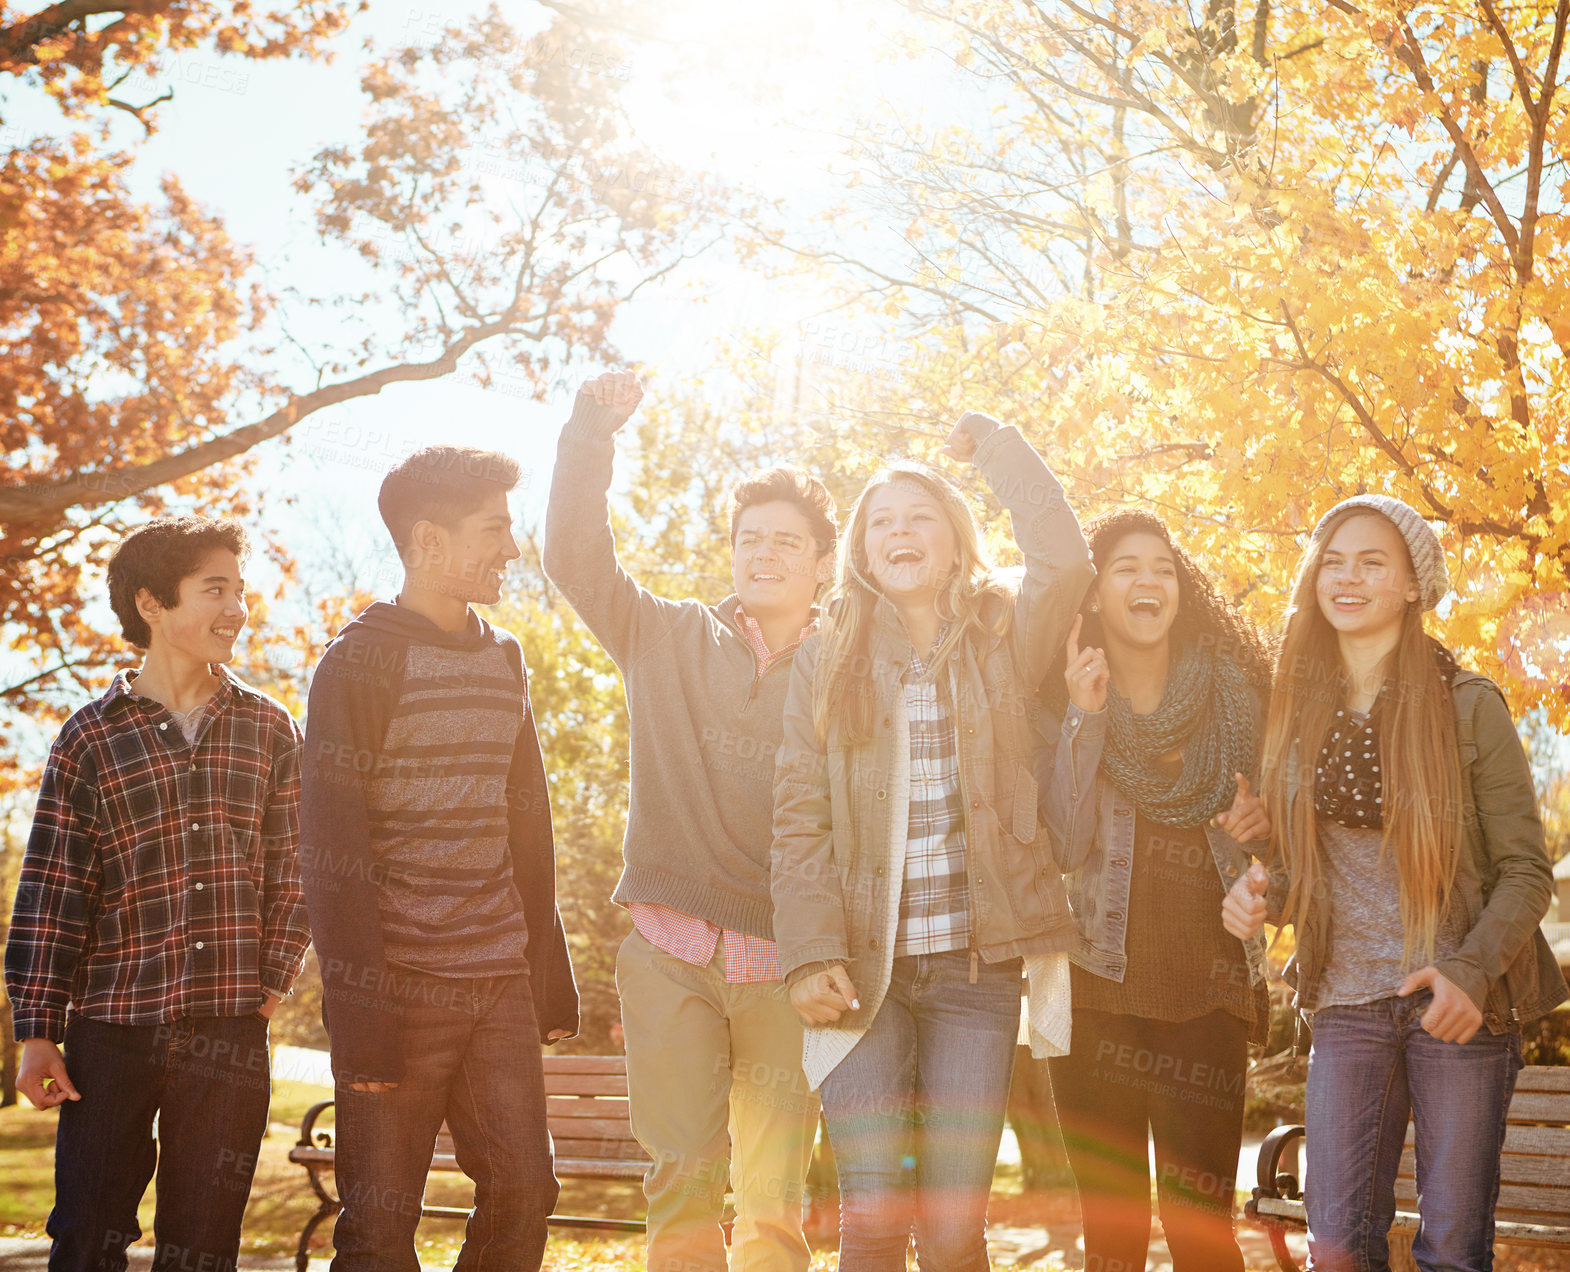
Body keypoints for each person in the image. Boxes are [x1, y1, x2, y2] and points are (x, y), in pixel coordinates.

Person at [771, 410, 1094, 1271]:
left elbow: (1066, 561)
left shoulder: (1004, 636)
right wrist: (805, 954)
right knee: (872, 1218)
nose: (898, 533)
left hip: (975, 974)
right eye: (880, 522)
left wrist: (999, 446)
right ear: (862, 551)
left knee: (953, 1230)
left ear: (954, 541)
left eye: (919, 518)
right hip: (858, 976)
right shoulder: (827, 653)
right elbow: (799, 818)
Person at [1224, 494, 1567, 1272]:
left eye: (1372, 562)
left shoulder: (1468, 706)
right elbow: (1301, 872)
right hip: (1345, 1004)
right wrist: (1259, 898)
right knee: (1338, 1247)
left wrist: (1468, 973)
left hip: (1458, 1008)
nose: (1347, 578)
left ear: (1415, 585)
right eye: (1333, 562)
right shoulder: (1297, 714)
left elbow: (1525, 872)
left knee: (1450, 1249)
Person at [543, 372, 834, 1272]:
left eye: (788, 542)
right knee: (681, 1178)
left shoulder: (849, 667)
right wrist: (592, 431)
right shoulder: (664, 635)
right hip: (670, 955)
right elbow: (574, 557)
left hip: (789, 967)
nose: (766, 553)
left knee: (776, 1198)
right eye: (751, 539)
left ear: (825, 562)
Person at [5, 515, 311, 1272]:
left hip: (230, 1027)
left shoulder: (270, 730)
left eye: (240, 590)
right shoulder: (89, 739)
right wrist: (37, 1028)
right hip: (111, 1029)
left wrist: (268, 987)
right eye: (216, 590)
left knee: (205, 1243)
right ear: (151, 604)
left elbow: (299, 872)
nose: (237, 608)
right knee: (84, 1231)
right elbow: (52, 889)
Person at [300, 445, 579, 1272]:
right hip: (398, 984)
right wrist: (359, 1014)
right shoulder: (358, 663)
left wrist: (547, 972)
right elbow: (330, 848)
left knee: (526, 1190)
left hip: (496, 976)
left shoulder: (505, 657)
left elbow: (530, 828)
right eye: (494, 529)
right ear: (427, 540)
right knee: (381, 1228)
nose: (512, 549)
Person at [1037, 509, 1274, 1272]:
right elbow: (1064, 843)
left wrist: (1266, 831)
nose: (1148, 580)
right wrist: (1085, 716)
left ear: (1182, 588)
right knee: (1113, 1241)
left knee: (1202, 1233)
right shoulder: (1066, 702)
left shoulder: (1239, 697)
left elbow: (1293, 844)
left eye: (1163, 567)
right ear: (1097, 596)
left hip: (1208, 996)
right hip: (1095, 992)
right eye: (1126, 568)